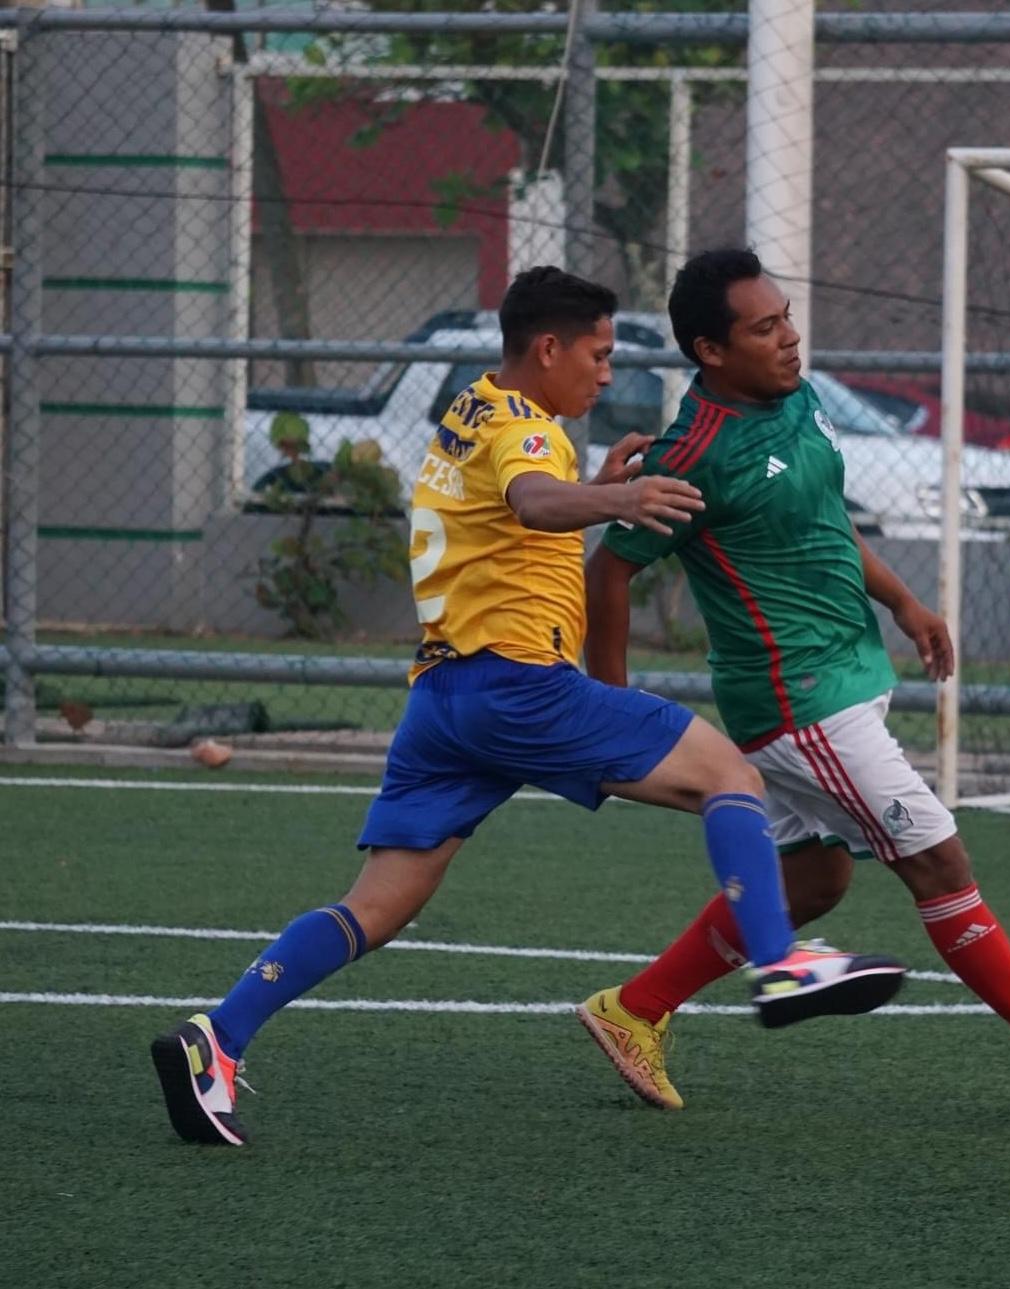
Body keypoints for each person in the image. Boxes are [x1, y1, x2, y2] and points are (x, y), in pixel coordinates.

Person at [150, 266, 907, 1147]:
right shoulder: (528, 432)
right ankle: (778, 960)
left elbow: (516, 506)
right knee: (726, 773)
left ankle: (218, 1036)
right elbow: (533, 501)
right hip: (518, 686)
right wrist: (616, 495)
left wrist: (595, 478)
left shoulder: (478, 406)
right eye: (597, 354)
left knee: (379, 905)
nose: (603, 373)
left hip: (445, 698)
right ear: (547, 348)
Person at [577, 248, 1010, 1111]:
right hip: (798, 700)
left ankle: (634, 1008)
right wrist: (611, 711)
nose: (790, 337)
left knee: (813, 883)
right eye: (764, 328)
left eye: (786, 316)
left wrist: (908, 604)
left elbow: (824, 517)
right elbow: (609, 570)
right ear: (711, 350)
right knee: (939, 861)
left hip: (845, 672)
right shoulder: (694, 455)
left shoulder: (794, 398)